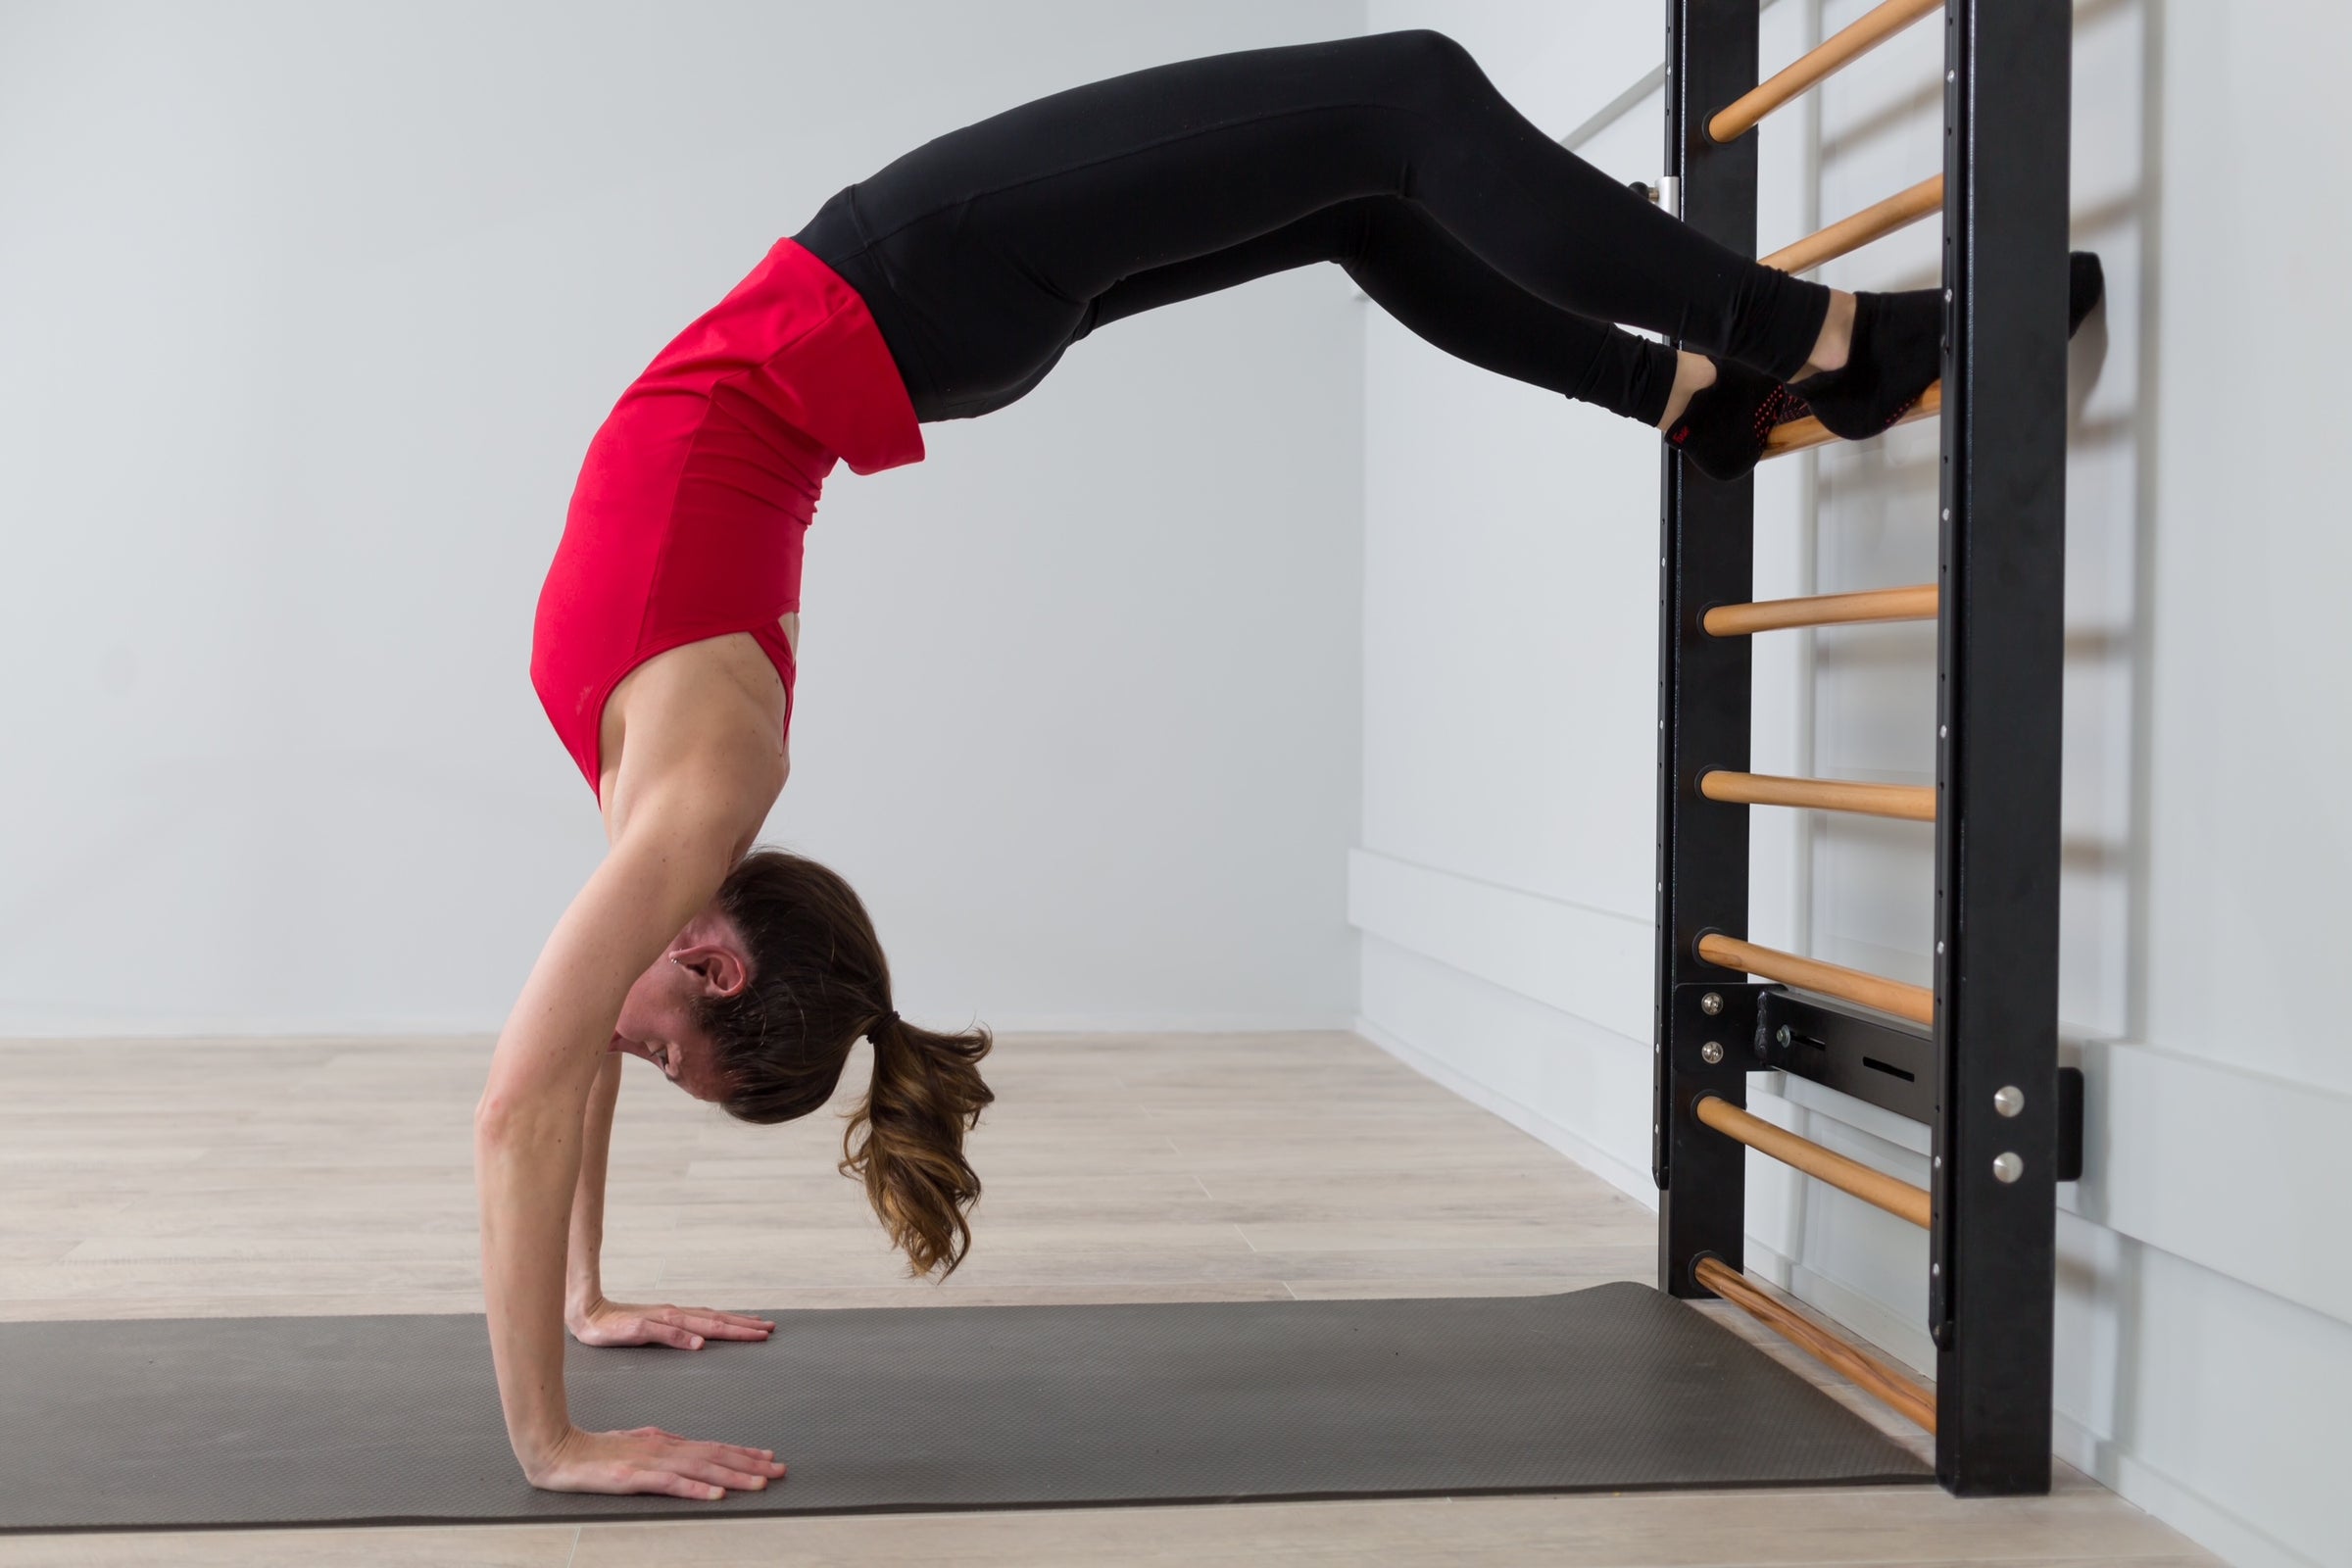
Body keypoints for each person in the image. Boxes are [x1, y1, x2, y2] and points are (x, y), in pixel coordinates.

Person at [478, 27, 2100, 1501]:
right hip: (912, 293)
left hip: (917, 299)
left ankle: (1716, 386)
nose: (630, 1058)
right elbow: (546, 1086)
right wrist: (556, 1421)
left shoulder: (672, 818)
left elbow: (536, 1094)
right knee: (1402, 103)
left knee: (1378, 171)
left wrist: (580, 1317)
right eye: (675, 1055)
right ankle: (1822, 347)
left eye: (667, 1063)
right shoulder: (694, 806)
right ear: (706, 951)